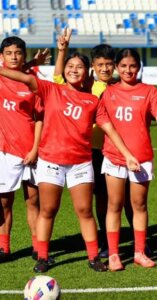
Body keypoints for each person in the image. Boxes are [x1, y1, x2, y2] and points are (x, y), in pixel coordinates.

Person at [0, 48, 140, 273]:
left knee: (85, 210)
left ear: (87, 72)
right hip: (51, 160)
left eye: (79, 67)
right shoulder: (49, 89)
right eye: (70, 66)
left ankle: (94, 257)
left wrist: (127, 154)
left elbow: (109, 128)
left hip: (81, 163)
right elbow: (24, 77)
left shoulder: (92, 101)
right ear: (64, 70)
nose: (74, 70)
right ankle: (43, 257)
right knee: (48, 209)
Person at [100, 48, 157, 271]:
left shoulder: (149, 91)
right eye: (123, 66)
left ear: (139, 67)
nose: (128, 70)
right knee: (114, 205)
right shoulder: (108, 92)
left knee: (139, 205)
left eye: (132, 66)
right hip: (114, 156)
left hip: (142, 158)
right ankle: (114, 255)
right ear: (116, 67)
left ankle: (139, 252)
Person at [0, 36, 43, 262]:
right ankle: (3, 248)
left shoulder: (33, 81)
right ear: (2, 56)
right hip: (5, 151)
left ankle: (38, 247)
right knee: (4, 201)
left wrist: (35, 148)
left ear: (24, 55)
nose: (14, 57)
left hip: (31, 150)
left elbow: (39, 118)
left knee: (33, 200)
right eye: (9, 53)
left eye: (18, 53)